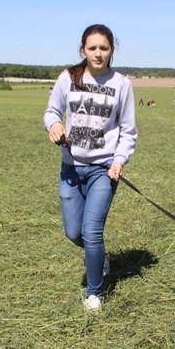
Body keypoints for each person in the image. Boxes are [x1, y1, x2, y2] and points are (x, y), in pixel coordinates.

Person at [43, 24, 138, 312]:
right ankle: (100, 258)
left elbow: (128, 131)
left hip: (104, 169)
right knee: (74, 233)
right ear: (83, 49)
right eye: (92, 48)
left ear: (112, 50)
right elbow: (52, 111)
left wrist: (119, 160)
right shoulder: (69, 78)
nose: (98, 53)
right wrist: (54, 125)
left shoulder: (121, 84)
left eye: (104, 48)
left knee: (92, 230)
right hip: (71, 167)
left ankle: (94, 292)